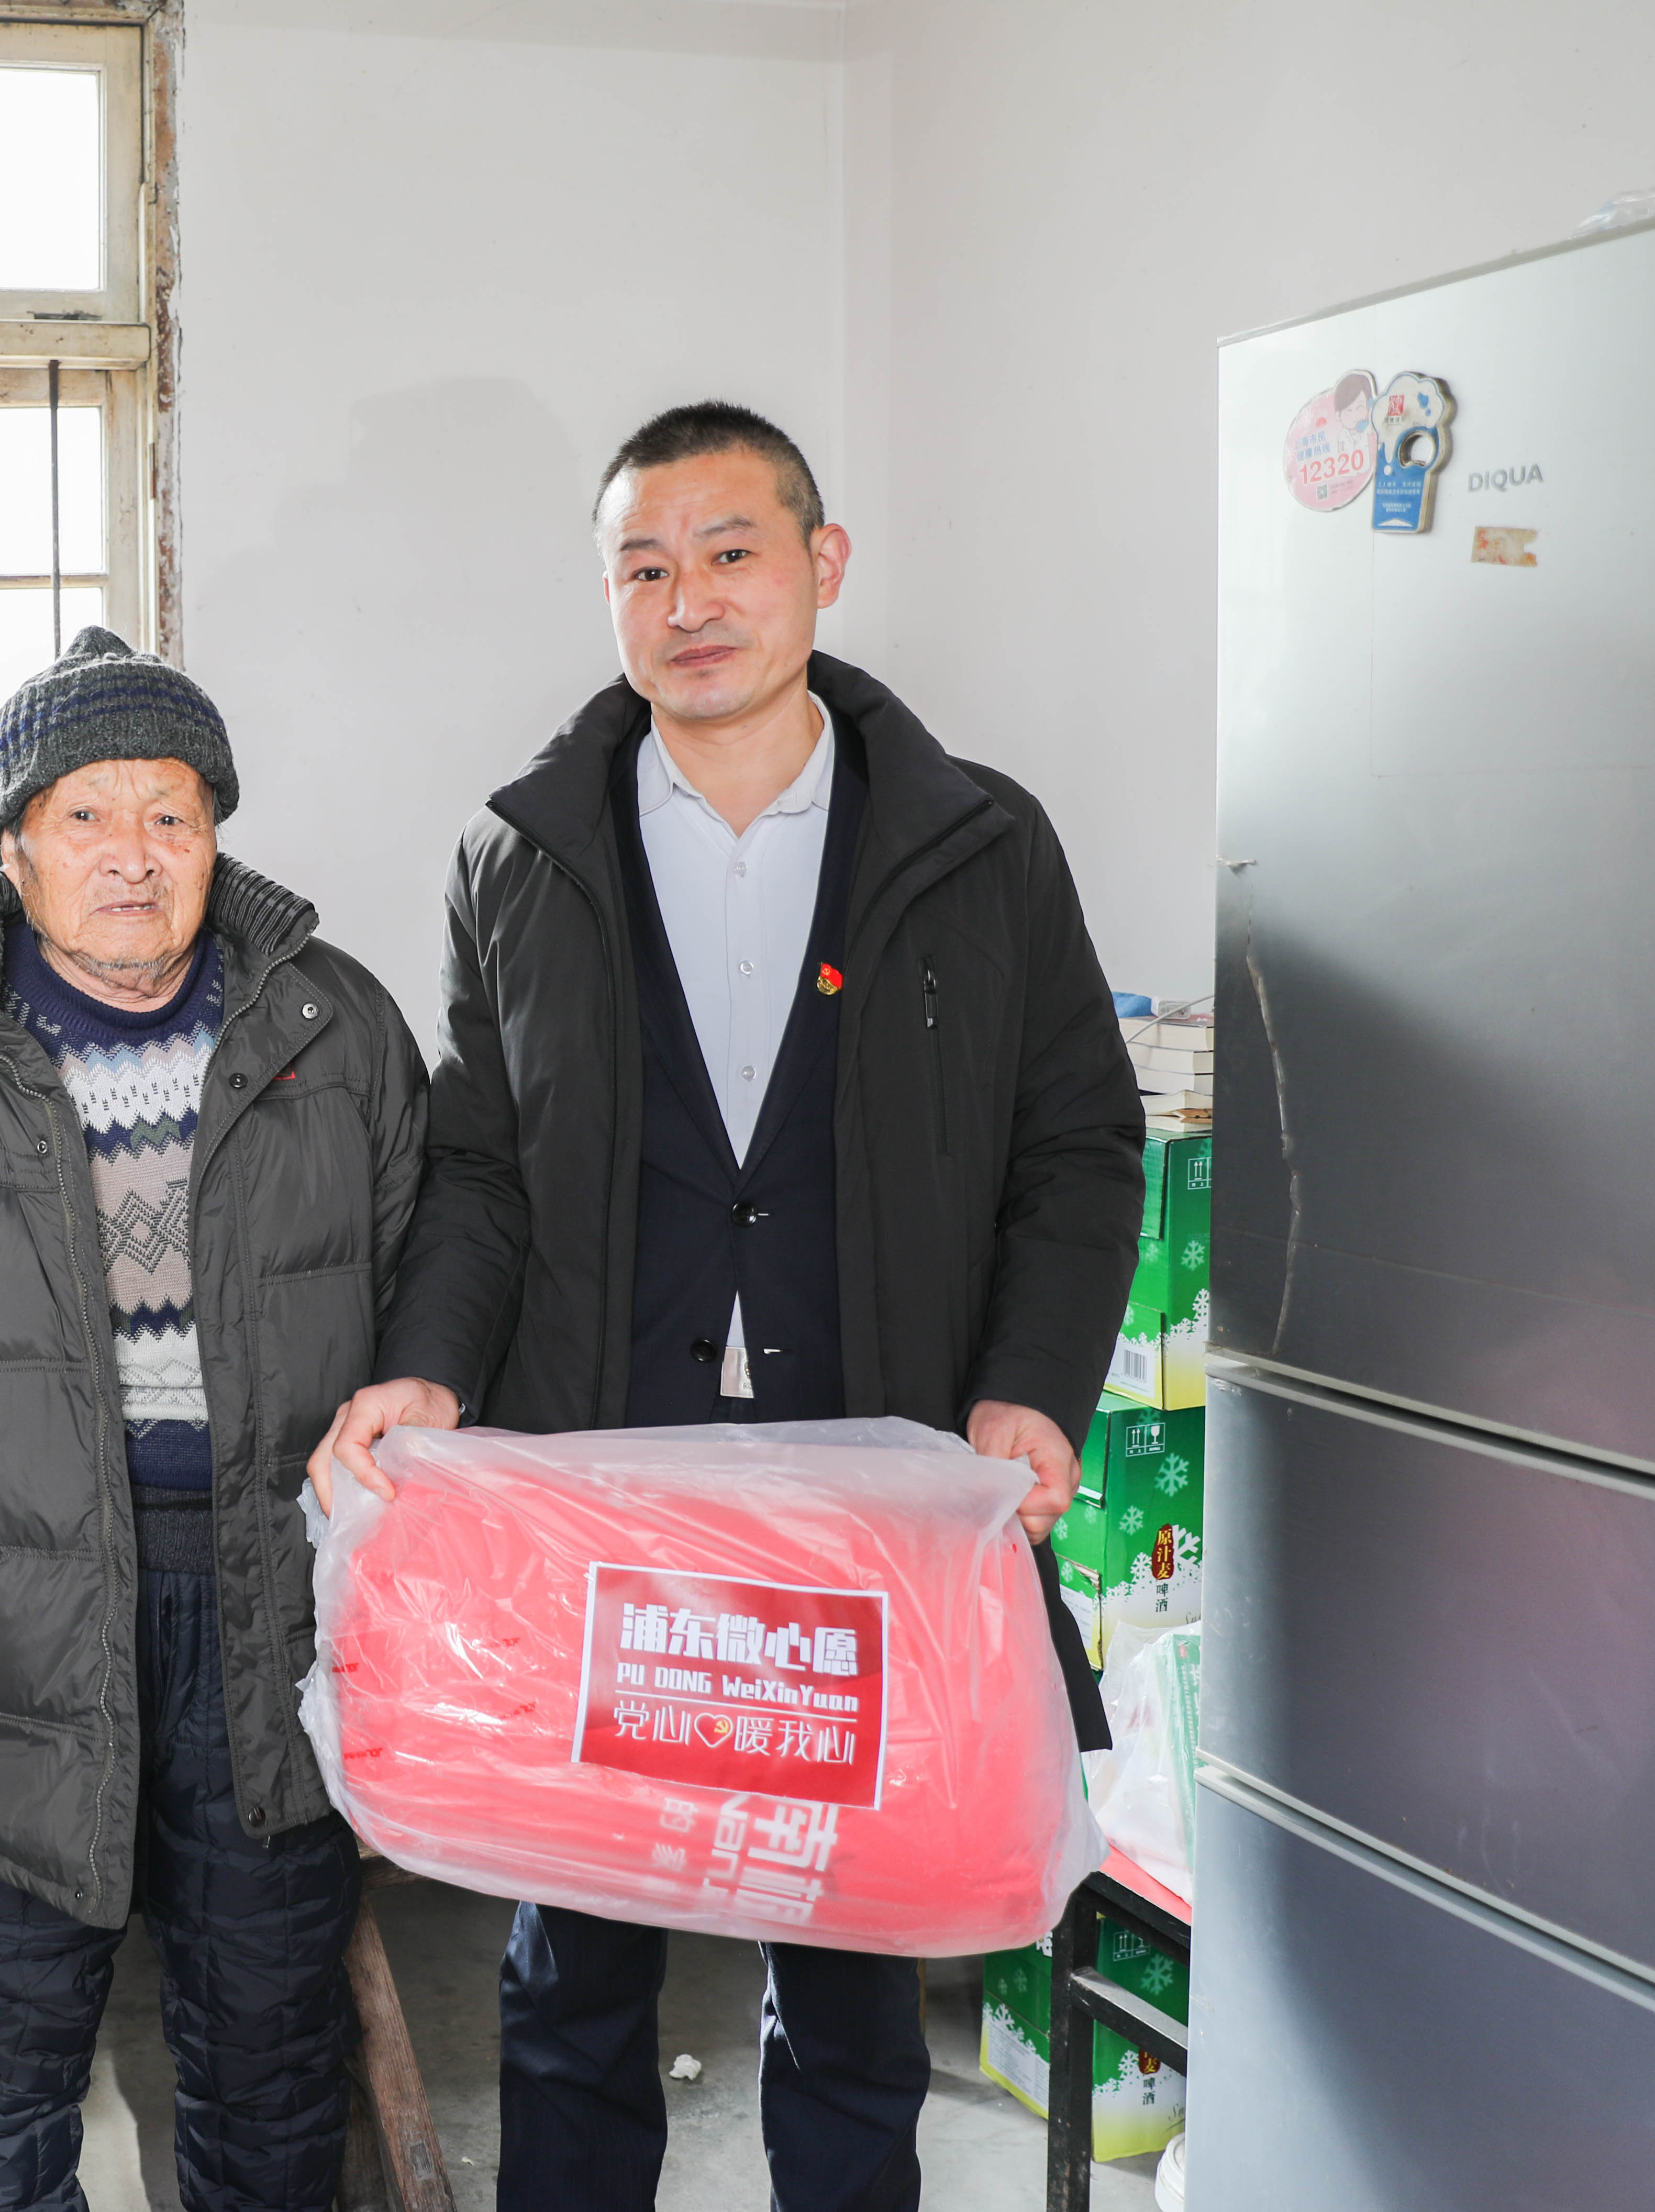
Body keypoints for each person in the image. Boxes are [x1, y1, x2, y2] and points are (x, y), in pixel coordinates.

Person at [307, 403, 1135, 2212]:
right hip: (607, 1497)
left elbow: (1074, 1144)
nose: (687, 600)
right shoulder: (521, 855)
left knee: (847, 1967)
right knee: (573, 1966)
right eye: (642, 566)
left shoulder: (978, 845)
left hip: (865, 1492)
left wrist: (1028, 1384)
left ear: (821, 566)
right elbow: (480, 1165)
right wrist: (429, 1367)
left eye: (729, 552)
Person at [0, 628, 428, 2212]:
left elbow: (429, 1286)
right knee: (1, 2056)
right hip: (9, 1613)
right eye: (84, 815)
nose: (130, 855)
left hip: (270, 1596)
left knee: (270, 2048)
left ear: (216, 835)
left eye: (169, 814)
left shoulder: (330, 1024)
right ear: (13, 847)